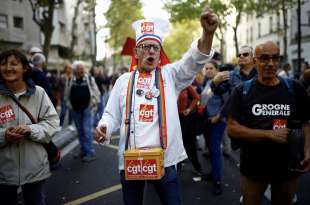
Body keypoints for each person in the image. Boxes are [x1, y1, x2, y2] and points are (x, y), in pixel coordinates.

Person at [94, 6, 218, 205]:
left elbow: (193, 61)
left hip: (165, 161)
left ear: (160, 53)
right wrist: (104, 128)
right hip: (131, 161)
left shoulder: (171, 75)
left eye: (156, 47)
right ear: (136, 52)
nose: (151, 51)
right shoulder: (123, 81)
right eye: (146, 46)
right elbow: (111, 115)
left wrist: (207, 34)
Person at [227, 41, 310, 205]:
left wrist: (308, 151)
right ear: (255, 61)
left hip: (288, 165)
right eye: (264, 58)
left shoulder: (295, 88)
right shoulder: (242, 91)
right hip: (254, 166)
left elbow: (306, 123)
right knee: (251, 201)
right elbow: (232, 129)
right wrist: (268, 135)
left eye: (275, 58)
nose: (270, 63)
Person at [0, 49, 59, 205]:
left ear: (25, 68)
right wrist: (4, 135)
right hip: (3, 171)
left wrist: (31, 129)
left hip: (35, 169)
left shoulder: (38, 93)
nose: (8, 68)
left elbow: (52, 123)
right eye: (3, 64)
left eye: (14, 63)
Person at [211, 44, 257, 155]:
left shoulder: (261, 75)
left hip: (258, 121)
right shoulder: (231, 75)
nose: (241, 56)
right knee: (244, 157)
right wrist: (215, 83)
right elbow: (219, 91)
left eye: (245, 54)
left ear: (254, 58)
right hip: (238, 123)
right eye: (239, 54)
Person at [64, 61, 100, 162]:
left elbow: (96, 92)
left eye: (82, 69)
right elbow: (66, 94)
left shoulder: (89, 79)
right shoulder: (70, 79)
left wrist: (94, 103)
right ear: (74, 70)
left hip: (87, 109)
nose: (81, 71)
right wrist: (68, 105)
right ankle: (84, 150)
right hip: (75, 109)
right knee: (80, 131)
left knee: (87, 130)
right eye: (79, 69)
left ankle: (90, 153)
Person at [201, 61, 228, 195]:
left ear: (217, 70)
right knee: (211, 150)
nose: (209, 70)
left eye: (211, 68)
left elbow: (228, 102)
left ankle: (217, 182)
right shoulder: (207, 81)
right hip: (207, 121)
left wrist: (218, 116)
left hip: (217, 121)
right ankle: (213, 174)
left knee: (216, 151)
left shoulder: (221, 82)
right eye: (206, 68)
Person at [177, 85, 203, 176]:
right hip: (173, 119)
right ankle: (178, 166)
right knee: (176, 143)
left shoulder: (185, 84)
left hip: (186, 118)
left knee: (189, 143)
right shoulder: (167, 84)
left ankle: (197, 167)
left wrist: (189, 109)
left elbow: (196, 98)